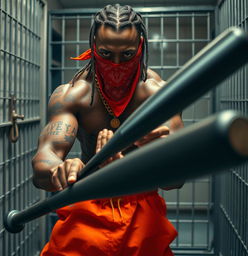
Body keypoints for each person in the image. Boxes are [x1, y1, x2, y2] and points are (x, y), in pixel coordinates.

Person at [32, 4, 184, 256]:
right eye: (105, 53)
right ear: (92, 46)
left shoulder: (158, 96)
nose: (115, 65)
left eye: (126, 55)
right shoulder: (73, 95)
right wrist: (60, 170)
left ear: (141, 46)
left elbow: (176, 180)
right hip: (87, 201)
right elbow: (43, 162)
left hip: (142, 207)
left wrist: (160, 155)